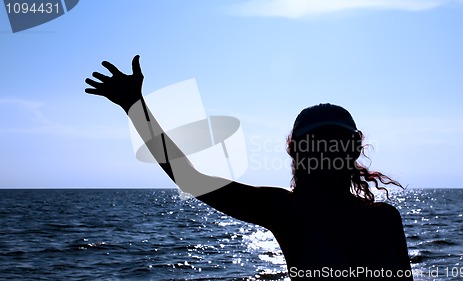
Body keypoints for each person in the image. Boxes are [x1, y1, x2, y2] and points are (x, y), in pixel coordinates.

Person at [85, 55, 413, 280]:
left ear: (294, 152)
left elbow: (189, 178)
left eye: (332, 142)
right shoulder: (379, 218)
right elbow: (190, 178)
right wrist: (134, 106)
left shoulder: (287, 210)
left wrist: (134, 106)